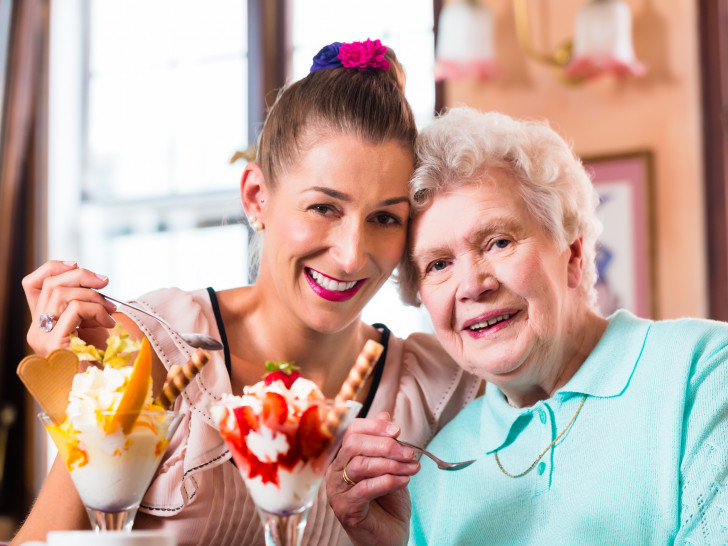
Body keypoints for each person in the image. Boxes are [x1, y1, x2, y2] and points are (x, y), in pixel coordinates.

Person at [11, 42, 481, 546]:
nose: (350, 254)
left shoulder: (437, 388)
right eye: (323, 208)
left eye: (385, 218)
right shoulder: (150, 350)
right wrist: (73, 383)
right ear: (257, 198)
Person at [326, 106, 728, 545]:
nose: (472, 286)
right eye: (438, 264)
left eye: (499, 242)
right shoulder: (433, 467)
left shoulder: (702, 369)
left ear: (572, 255)